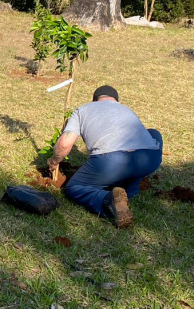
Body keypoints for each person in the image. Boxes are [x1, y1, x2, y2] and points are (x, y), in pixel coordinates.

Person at [47, 85, 162, 228]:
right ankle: (130, 190)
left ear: (95, 100)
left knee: (74, 187)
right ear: (116, 100)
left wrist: (54, 160)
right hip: (150, 159)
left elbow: (64, 144)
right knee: (153, 133)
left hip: (111, 162)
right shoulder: (125, 109)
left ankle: (107, 200)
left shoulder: (82, 110)